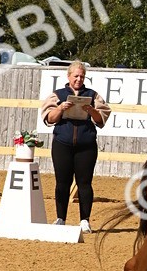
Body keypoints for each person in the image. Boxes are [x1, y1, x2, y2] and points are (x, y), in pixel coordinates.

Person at [41, 62, 111, 232]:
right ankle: (60, 218)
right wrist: (60, 108)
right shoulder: (57, 95)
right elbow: (49, 119)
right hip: (62, 145)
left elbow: (102, 118)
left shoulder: (93, 95)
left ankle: (85, 221)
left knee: (84, 184)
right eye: (76, 76)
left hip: (86, 146)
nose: (79, 79)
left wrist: (91, 110)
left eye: (82, 76)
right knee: (62, 183)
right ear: (69, 76)